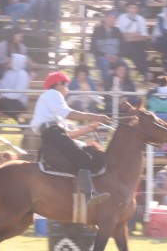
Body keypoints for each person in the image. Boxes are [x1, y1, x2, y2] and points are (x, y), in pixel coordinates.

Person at [31, 71, 111, 205]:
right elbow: (69, 114)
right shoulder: (53, 94)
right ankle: (89, 195)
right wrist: (96, 116)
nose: (67, 88)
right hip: (53, 133)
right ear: (57, 84)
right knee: (83, 158)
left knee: (78, 158)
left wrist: (90, 128)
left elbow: (69, 133)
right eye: (65, 84)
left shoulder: (52, 102)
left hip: (52, 134)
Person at [117, 1, 150, 80]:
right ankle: (145, 73)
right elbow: (122, 36)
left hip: (138, 44)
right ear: (127, 9)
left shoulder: (140, 19)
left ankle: (145, 74)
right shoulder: (122, 17)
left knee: (139, 52)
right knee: (136, 52)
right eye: (131, 7)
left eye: (135, 8)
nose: (133, 9)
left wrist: (130, 36)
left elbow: (144, 36)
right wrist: (136, 35)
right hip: (125, 45)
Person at [91, 11, 124, 90]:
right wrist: (105, 55)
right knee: (105, 64)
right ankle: (107, 88)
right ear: (105, 18)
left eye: (114, 18)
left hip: (116, 56)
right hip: (102, 57)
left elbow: (123, 47)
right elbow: (93, 48)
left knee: (123, 64)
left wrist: (117, 56)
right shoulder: (97, 31)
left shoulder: (117, 31)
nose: (112, 19)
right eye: (110, 17)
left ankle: (122, 88)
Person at [0, 53, 29, 123]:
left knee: (3, 101)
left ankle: (18, 121)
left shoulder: (23, 74)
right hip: (4, 99)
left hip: (17, 103)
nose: (8, 62)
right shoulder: (8, 73)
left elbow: (17, 94)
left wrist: (2, 96)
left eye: (10, 60)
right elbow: (0, 87)